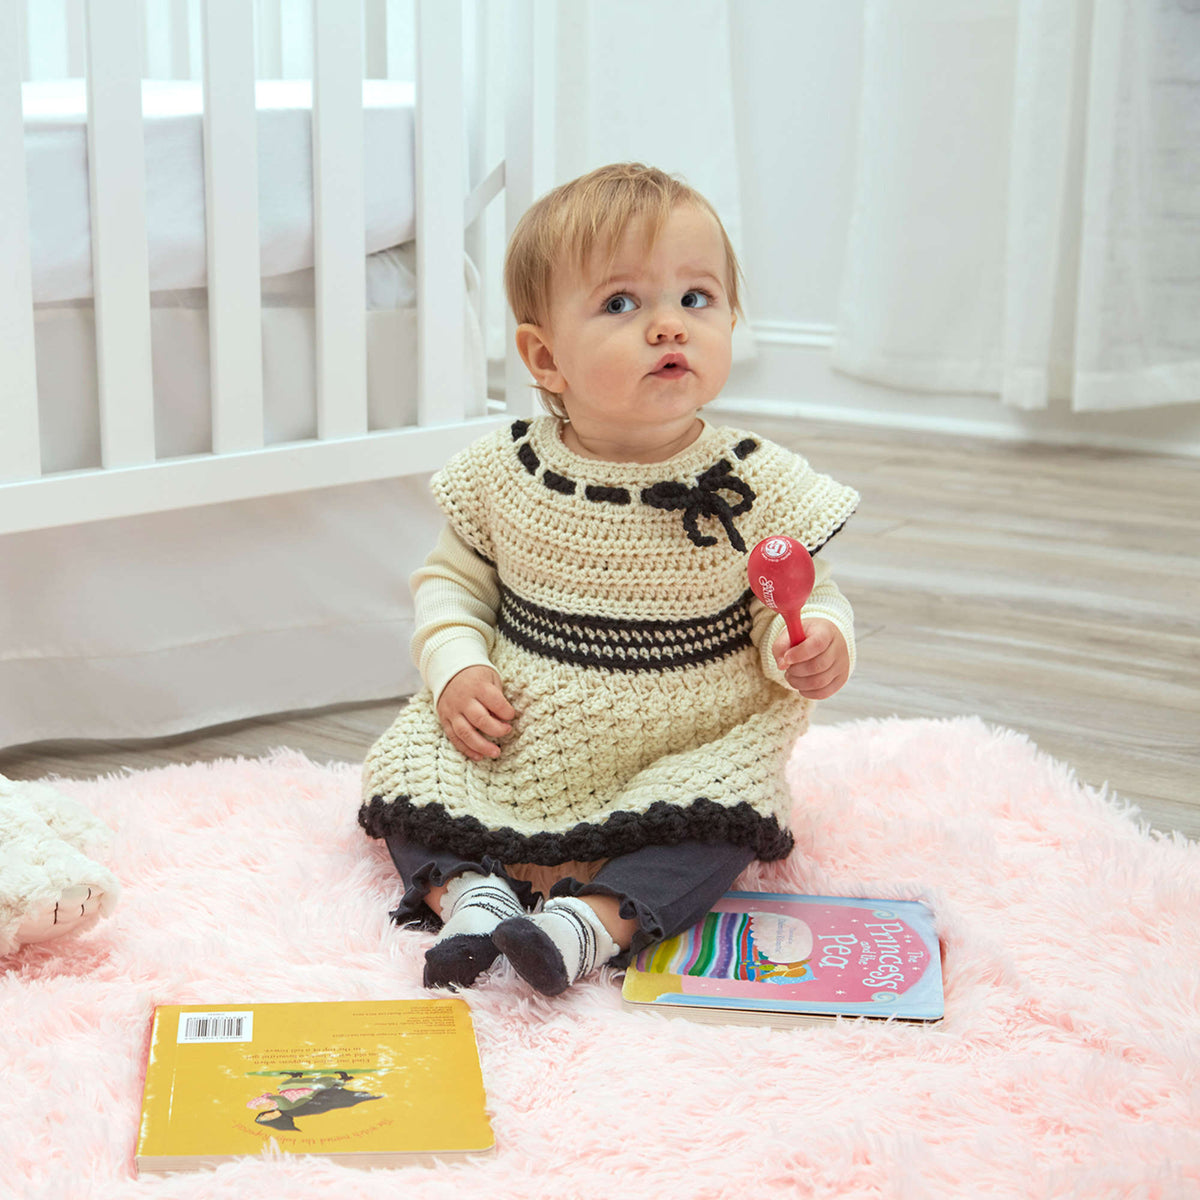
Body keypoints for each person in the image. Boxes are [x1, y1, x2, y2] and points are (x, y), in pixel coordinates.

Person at [359, 162, 859, 997]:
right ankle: (469, 896)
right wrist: (456, 668)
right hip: (526, 727)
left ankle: (592, 923)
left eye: (696, 299)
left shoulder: (758, 481)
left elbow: (800, 594)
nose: (669, 327)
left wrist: (815, 641)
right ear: (544, 355)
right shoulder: (504, 472)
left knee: (727, 829)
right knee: (405, 778)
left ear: (732, 317)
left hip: (689, 740)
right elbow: (450, 585)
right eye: (623, 304)